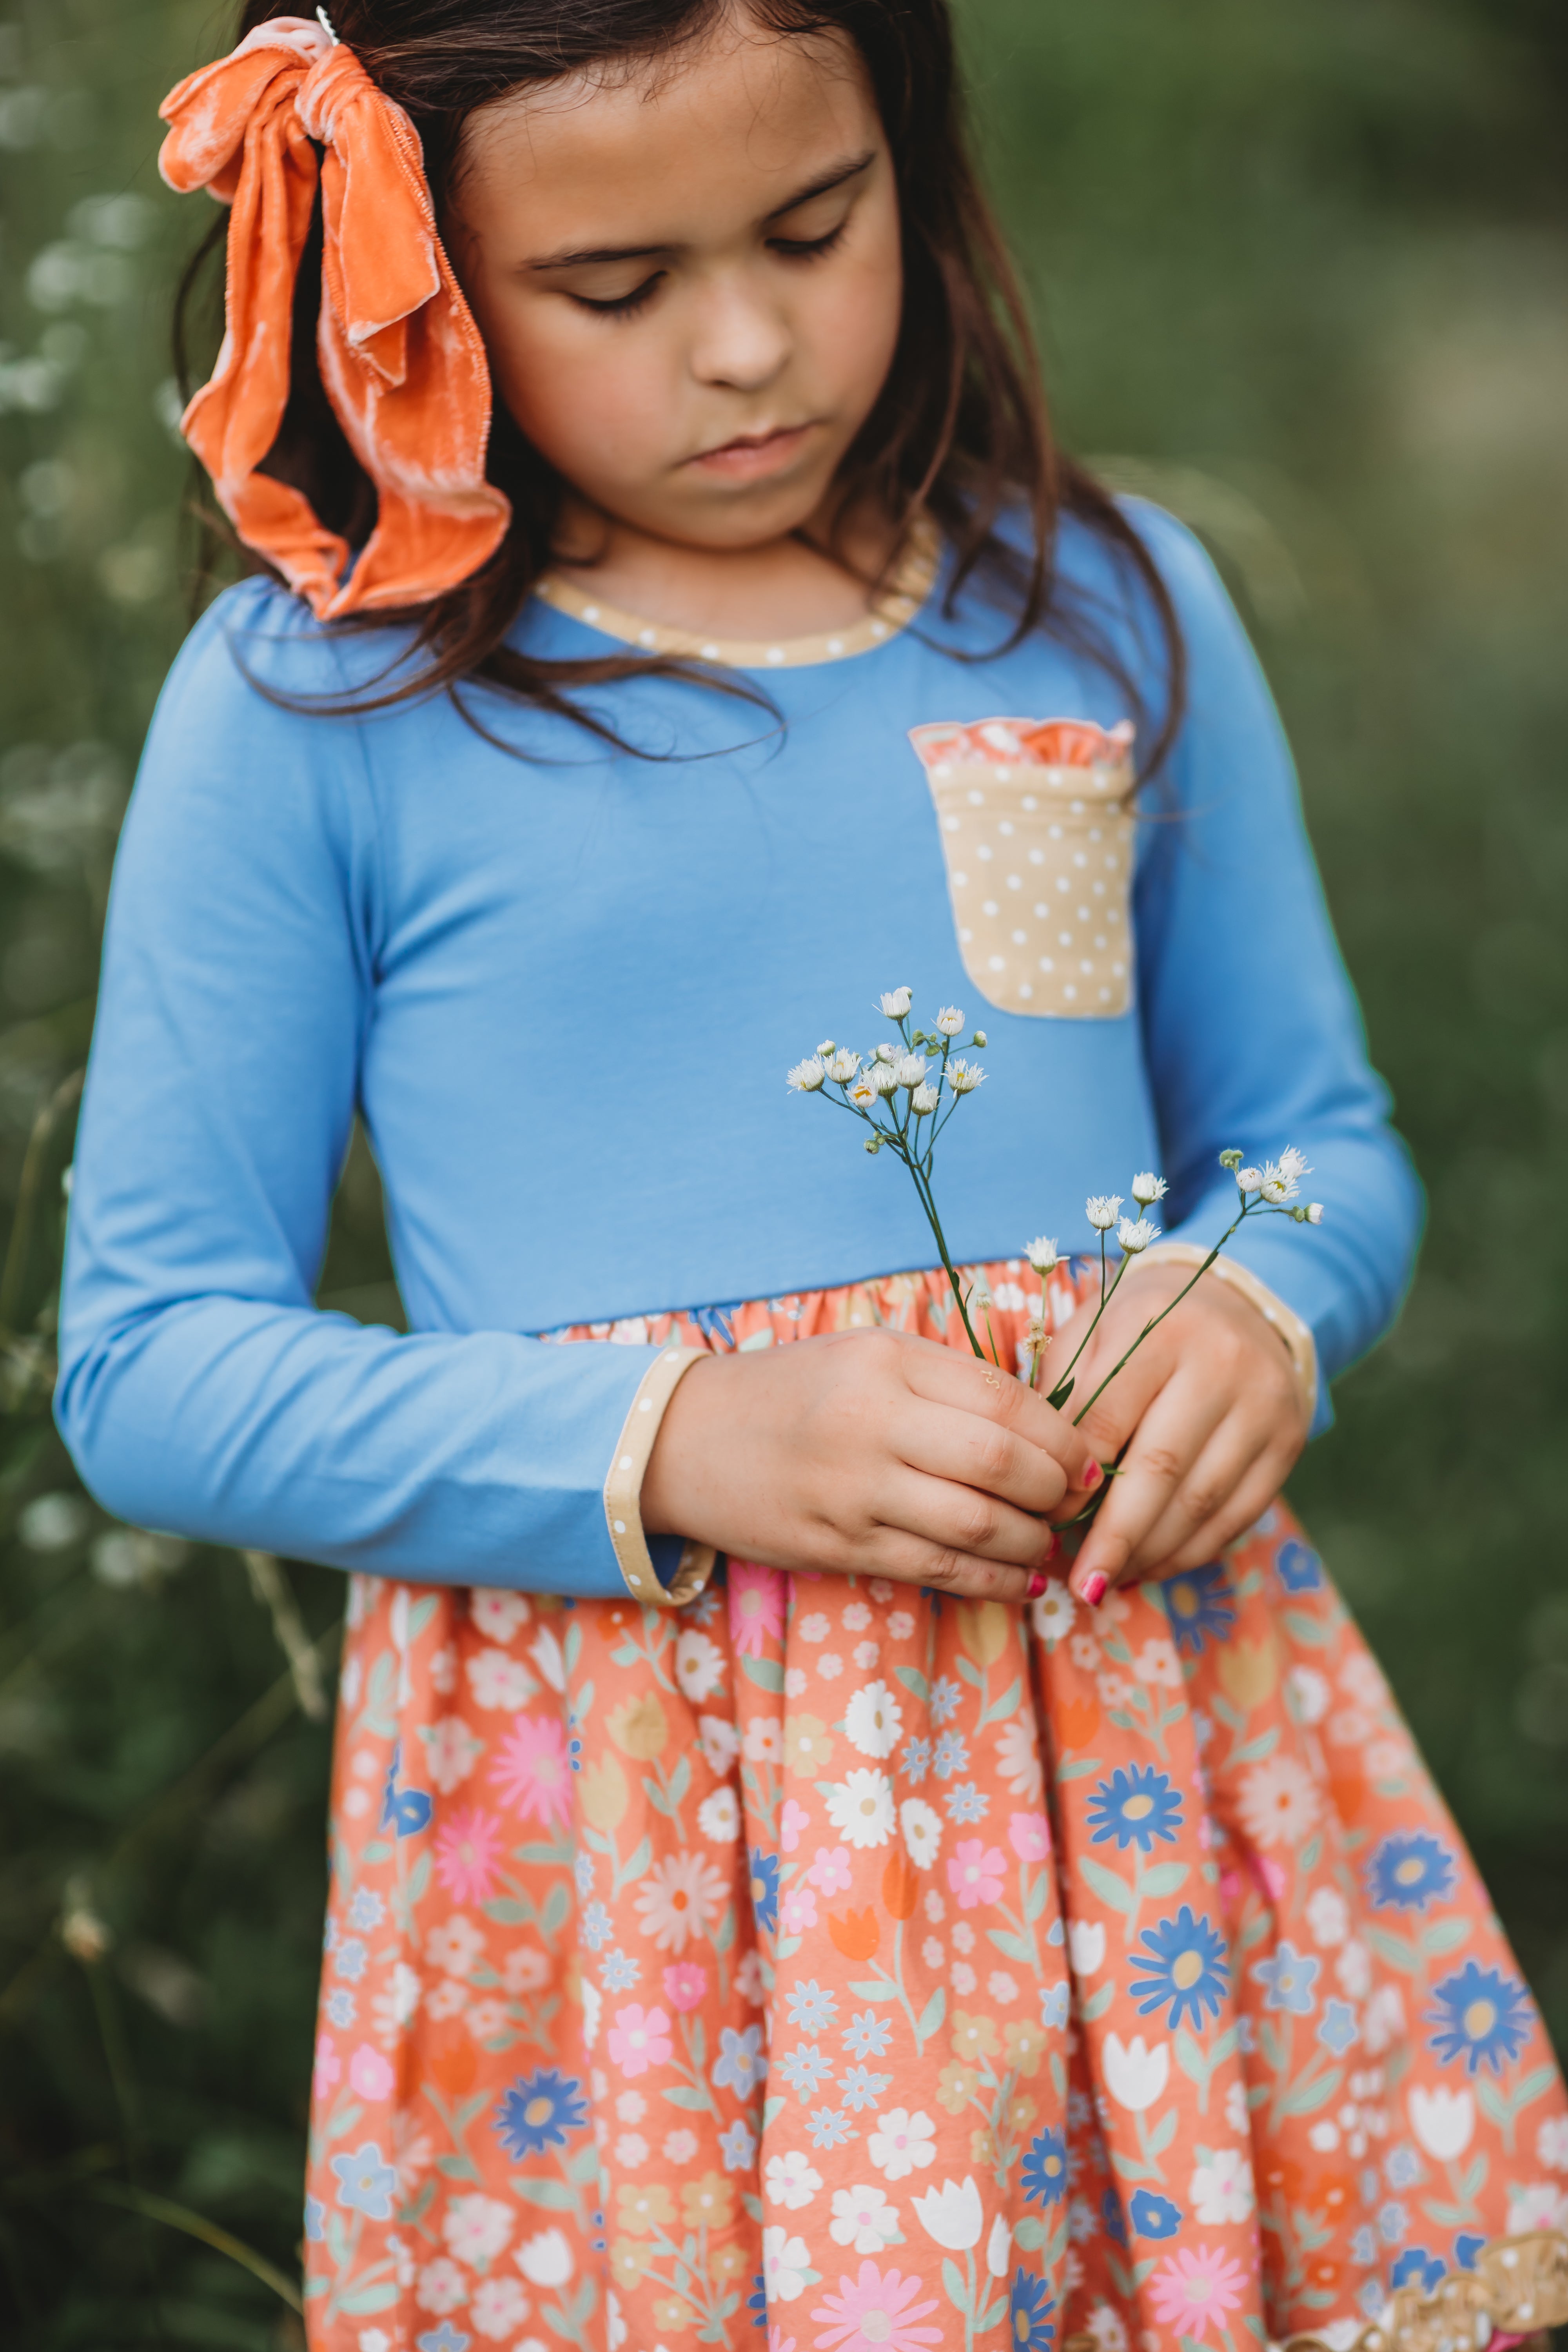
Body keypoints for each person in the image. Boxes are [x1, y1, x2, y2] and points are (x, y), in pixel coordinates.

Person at [55, 4, 1568, 2348]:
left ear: (913, 161)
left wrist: (1264, 1303)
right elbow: (151, 1370)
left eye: (812, 225)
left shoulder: (1107, 603)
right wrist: (676, 1439)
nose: (751, 345)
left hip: (1135, 1772)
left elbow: (1310, 1139)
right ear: (419, 285)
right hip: (642, 1848)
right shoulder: (320, 711)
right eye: (616, 288)